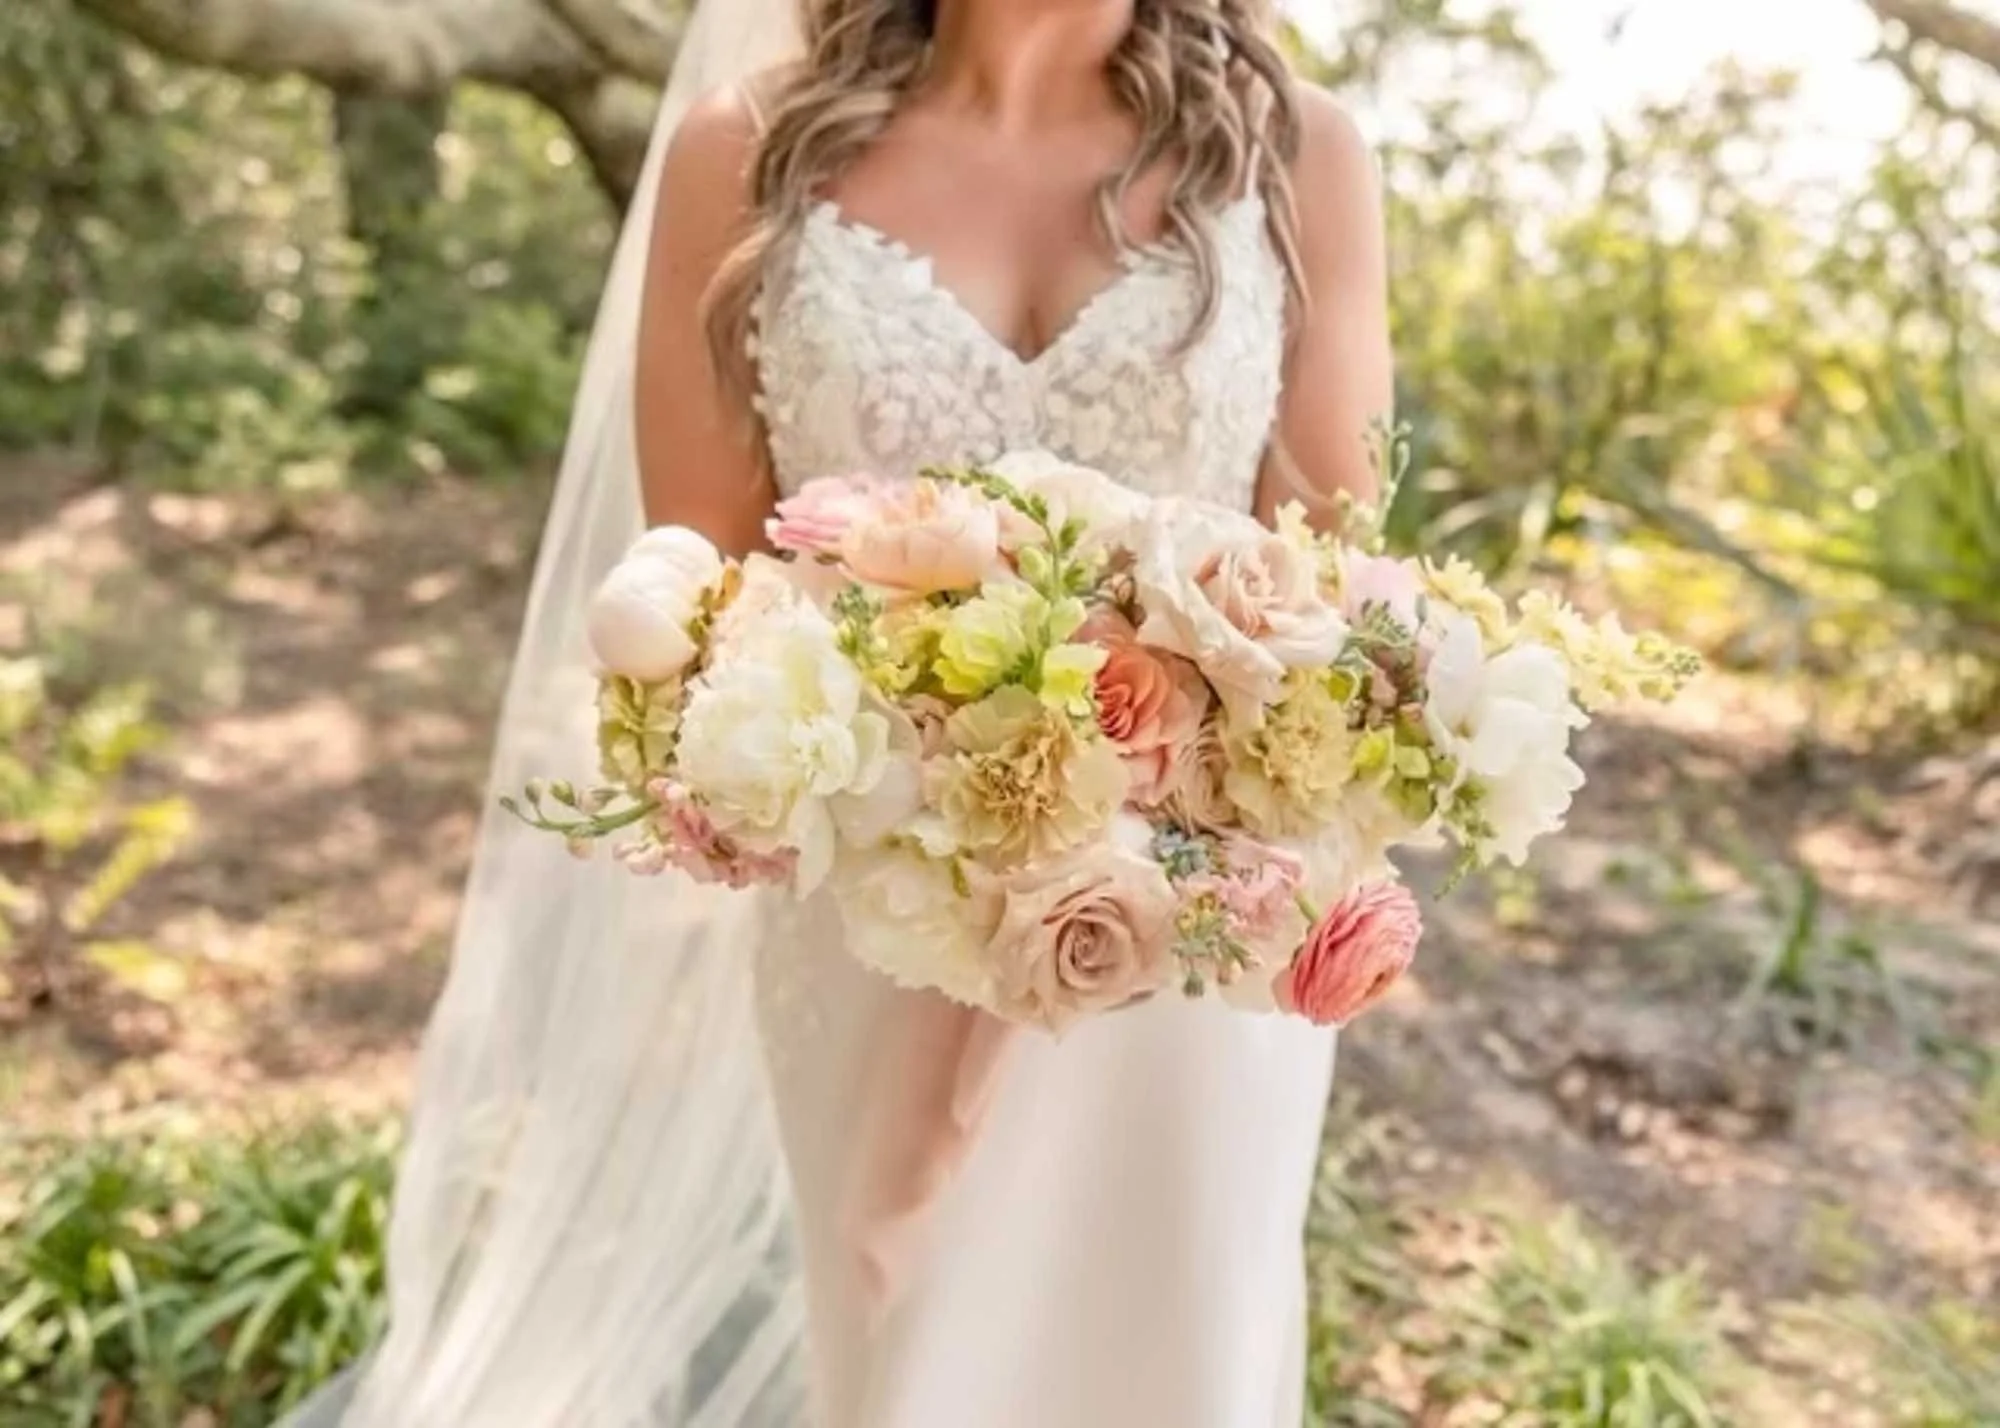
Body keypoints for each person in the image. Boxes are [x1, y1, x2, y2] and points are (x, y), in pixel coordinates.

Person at [291, 0, 1389, 1423]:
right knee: (908, 1363)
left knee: (1180, 1363)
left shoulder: (1299, 156)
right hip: (880, 920)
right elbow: (704, 605)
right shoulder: (743, 154)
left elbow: (1329, 590)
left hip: (1199, 935)